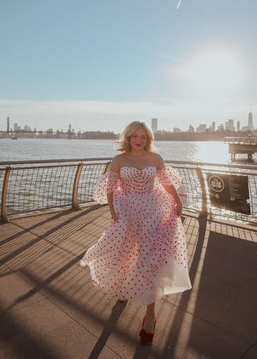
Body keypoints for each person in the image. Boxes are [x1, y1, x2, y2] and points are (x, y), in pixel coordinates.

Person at [81, 121, 192, 344]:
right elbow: (111, 188)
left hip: (153, 210)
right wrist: (113, 212)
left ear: (148, 138)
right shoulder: (119, 160)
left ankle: (150, 316)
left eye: (143, 136)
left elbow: (167, 183)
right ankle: (124, 287)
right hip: (127, 211)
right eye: (135, 136)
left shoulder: (155, 158)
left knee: (150, 260)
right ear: (128, 138)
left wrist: (177, 200)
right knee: (125, 252)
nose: (139, 140)